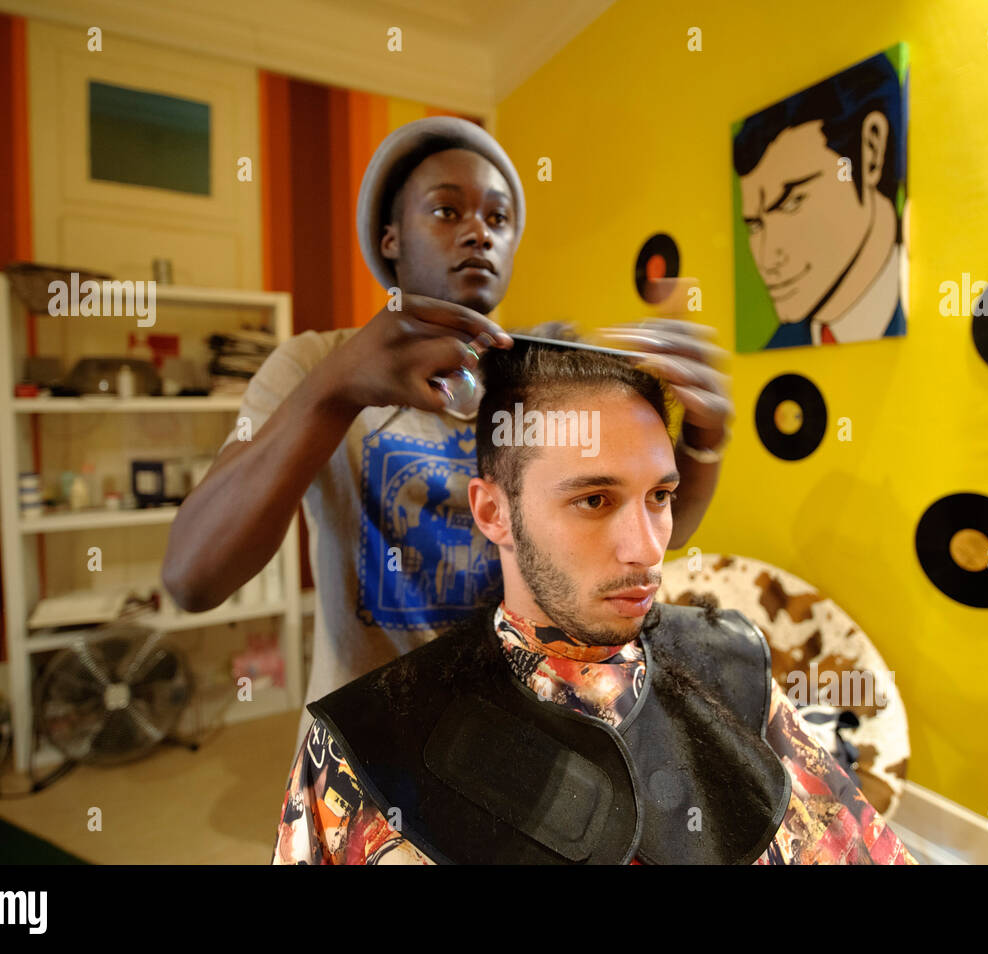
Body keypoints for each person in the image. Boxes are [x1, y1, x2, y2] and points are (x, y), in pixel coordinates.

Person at [162, 117, 732, 758]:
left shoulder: (542, 374)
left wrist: (702, 436)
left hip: (519, 741)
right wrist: (338, 389)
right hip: (368, 752)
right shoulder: (312, 365)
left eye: (499, 218)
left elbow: (644, 537)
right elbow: (193, 578)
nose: (477, 231)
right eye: (446, 210)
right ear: (391, 238)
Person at [271, 339, 917, 864]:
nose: (646, 549)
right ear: (493, 511)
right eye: (594, 500)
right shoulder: (363, 745)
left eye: (660, 497)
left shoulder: (736, 670)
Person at [733, 51, 906, 348]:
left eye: (790, 203)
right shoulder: (778, 348)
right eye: (754, 225)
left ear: (871, 150)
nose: (766, 258)